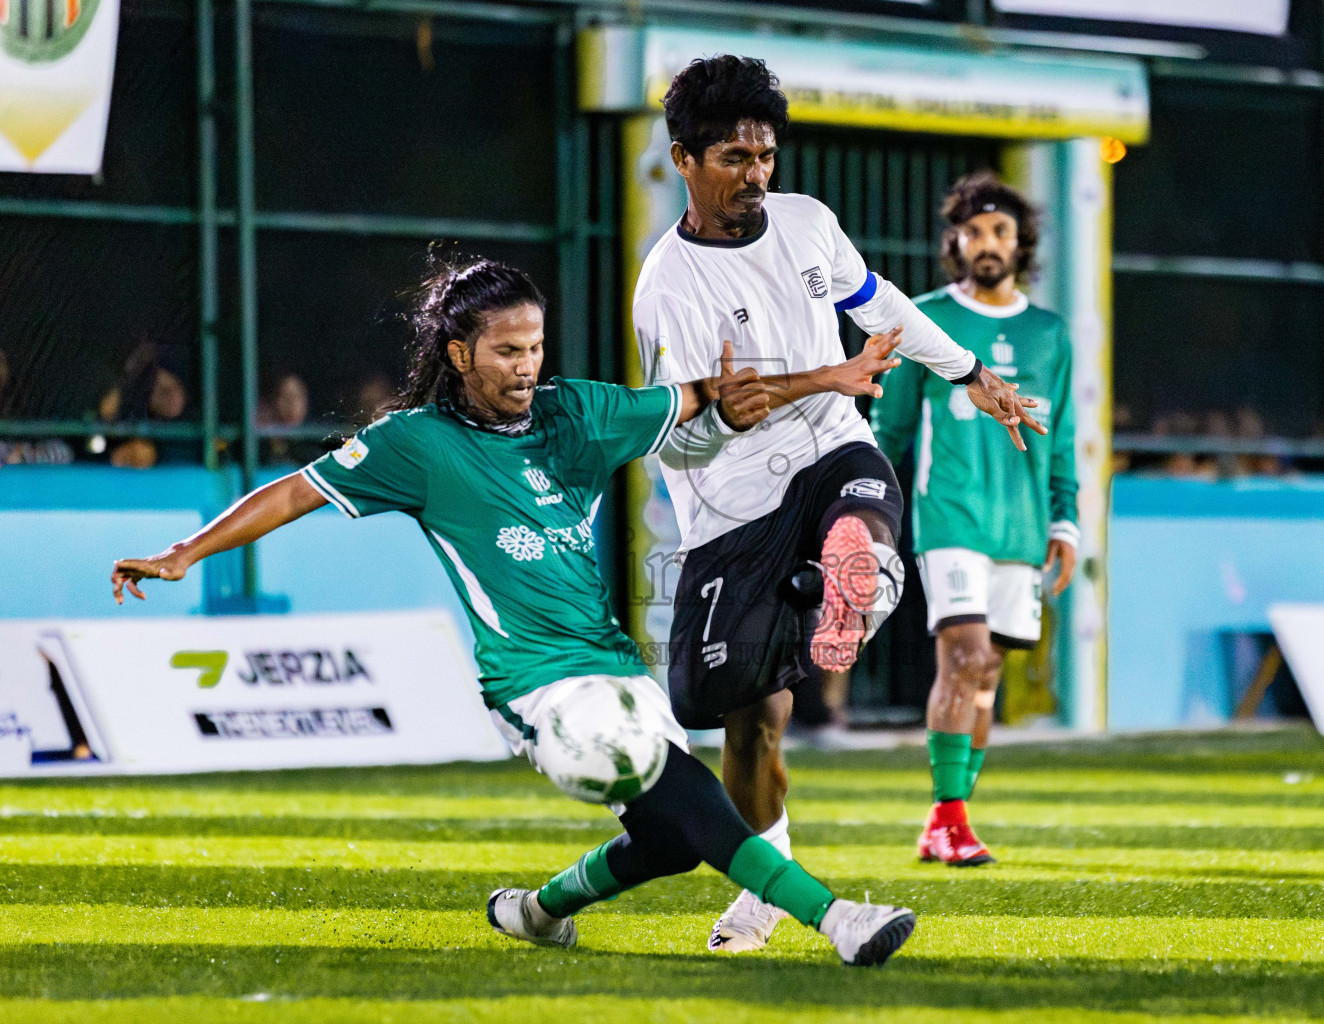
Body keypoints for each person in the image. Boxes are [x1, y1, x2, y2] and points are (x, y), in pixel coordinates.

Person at [109, 257, 917, 967]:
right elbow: (295, 491)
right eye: (506, 350)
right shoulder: (415, 444)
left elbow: (709, 394)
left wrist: (824, 380)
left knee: (671, 841)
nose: (526, 365)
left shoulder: (578, 413)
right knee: (685, 789)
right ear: (459, 355)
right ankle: (837, 918)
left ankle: (533, 913)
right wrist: (186, 551)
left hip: (610, 663)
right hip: (534, 685)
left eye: (534, 346)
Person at [632, 56, 1043, 949]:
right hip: (729, 502)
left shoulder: (809, 224)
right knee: (747, 721)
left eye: (766, 155)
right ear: (684, 160)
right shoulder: (669, 285)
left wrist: (969, 371)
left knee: (859, 496)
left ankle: (860, 581)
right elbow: (698, 426)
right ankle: (763, 882)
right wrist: (818, 378)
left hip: (828, 447)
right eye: (735, 157)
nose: (757, 174)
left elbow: (878, 301)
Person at [871, 172, 1079, 867]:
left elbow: (1064, 437)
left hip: (1018, 528)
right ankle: (949, 819)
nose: (987, 243)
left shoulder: (1050, 334)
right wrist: (865, 510)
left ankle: (950, 817)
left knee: (986, 672)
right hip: (948, 514)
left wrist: (1065, 524)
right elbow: (889, 430)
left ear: (1022, 246)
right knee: (961, 656)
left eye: (1001, 231)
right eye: (974, 230)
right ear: (954, 240)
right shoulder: (925, 319)